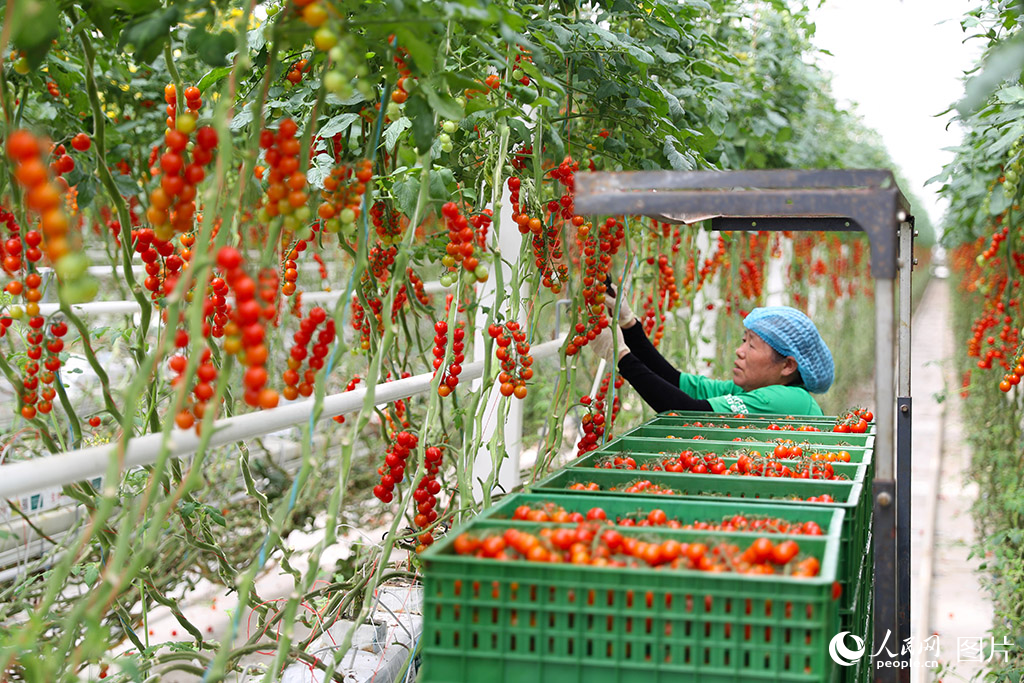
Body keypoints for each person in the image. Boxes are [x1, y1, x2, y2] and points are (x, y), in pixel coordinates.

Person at [591, 292, 834, 416]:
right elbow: (676, 383)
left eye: (751, 345)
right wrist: (629, 325)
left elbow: (687, 412)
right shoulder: (750, 390)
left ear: (788, 366)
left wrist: (621, 357)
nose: (739, 351)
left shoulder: (786, 400)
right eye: (743, 340)